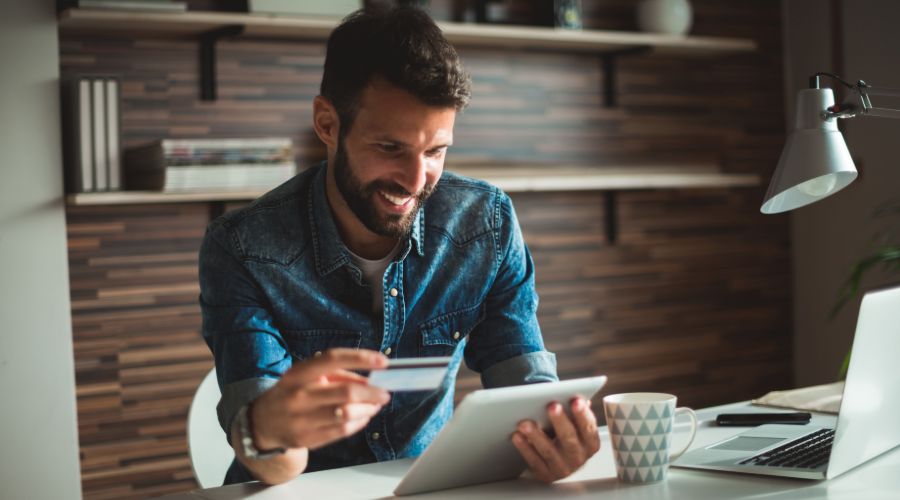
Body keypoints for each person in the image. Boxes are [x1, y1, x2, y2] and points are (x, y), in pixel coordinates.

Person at [198, 5, 600, 487]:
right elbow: (271, 462)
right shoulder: (243, 248)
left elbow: (524, 382)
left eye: (435, 151)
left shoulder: (485, 224)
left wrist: (555, 438)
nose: (415, 181)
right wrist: (270, 429)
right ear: (328, 124)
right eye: (390, 148)